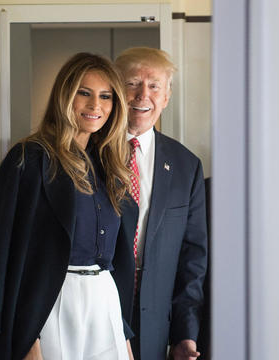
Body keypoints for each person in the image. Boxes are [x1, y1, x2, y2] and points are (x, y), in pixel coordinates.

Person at [0, 52, 140, 360]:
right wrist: (22, 337)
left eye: (106, 96)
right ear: (65, 96)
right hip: (48, 306)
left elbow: (113, 261)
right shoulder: (29, 159)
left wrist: (123, 333)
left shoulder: (110, 166)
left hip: (104, 302)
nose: (96, 106)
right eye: (84, 93)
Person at [114, 47, 208, 360]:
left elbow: (192, 259)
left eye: (154, 86)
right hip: (95, 313)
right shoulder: (87, 154)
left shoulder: (187, 166)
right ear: (115, 90)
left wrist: (185, 335)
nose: (143, 95)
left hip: (154, 324)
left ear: (166, 97)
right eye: (132, 84)